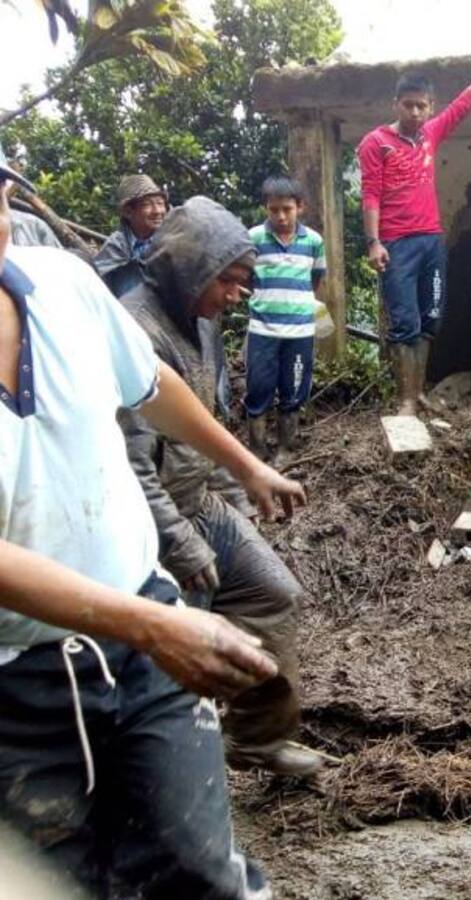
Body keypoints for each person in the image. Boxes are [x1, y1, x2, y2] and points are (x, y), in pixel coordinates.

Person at [0, 156, 293, 899]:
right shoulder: (143, 307)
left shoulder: (65, 285)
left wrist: (244, 466)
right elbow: (141, 465)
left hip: (142, 625)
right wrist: (156, 617)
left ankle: (260, 740)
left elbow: (152, 387)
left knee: (201, 867)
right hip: (18, 684)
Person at [118, 196, 323, 777]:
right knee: (180, 650)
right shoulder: (135, 331)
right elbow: (127, 462)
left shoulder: (202, 325)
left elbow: (206, 427)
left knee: (274, 595)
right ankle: (175, 771)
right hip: (150, 520)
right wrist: (179, 542)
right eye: (228, 281)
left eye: (243, 281)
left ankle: (258, 739)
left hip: (201, 499)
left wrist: (235, 494)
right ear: (190, 272)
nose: (238, 294)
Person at [357, 53, 471, 415]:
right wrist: (373, 241)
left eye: (421, 106)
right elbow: (370, 195)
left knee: (431, 319)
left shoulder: (431, 134)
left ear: (430, 108)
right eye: (408, 105)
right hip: (396, 244)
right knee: (405, 323)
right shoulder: (375, 142)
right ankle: (406, 401)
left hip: (432, 242)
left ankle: (418, 391)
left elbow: (464, 103)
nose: (414, 112)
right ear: (395, 104)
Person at [245, 176, 327, 461]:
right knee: (258, 387)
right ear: (266, 208)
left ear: (300, 207)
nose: (281, 216)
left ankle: (285, 449)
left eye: (287, 209)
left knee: (293, 389)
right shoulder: (254, 238)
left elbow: (315, 279)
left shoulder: (313, 241)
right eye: (274, 209)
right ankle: (256, 448)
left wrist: (296, 303)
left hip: (300, 331)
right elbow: (245, 277)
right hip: (262, 329)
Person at [94, 173, 168, 298]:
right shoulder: (116, 245)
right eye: (147, 205)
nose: (157, 211)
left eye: (160, 204)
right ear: (128, 212)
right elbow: (99, 284)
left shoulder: (171, 239)